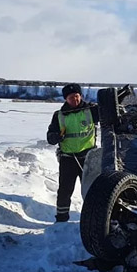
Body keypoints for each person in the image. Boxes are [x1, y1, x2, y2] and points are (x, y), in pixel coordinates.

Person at [46, 83, 99, 222]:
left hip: (88, 158)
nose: (74, 100)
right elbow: (50, 137)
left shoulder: (91, 110)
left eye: (76, 96)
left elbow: (110, 115)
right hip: (67, 158)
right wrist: (55, 136)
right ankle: (62, 219)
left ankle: (93, 219)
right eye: (70, 97)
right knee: (64, 190)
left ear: (80, 95)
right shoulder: (59, 115)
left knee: (91, 190)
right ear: (65, 99)